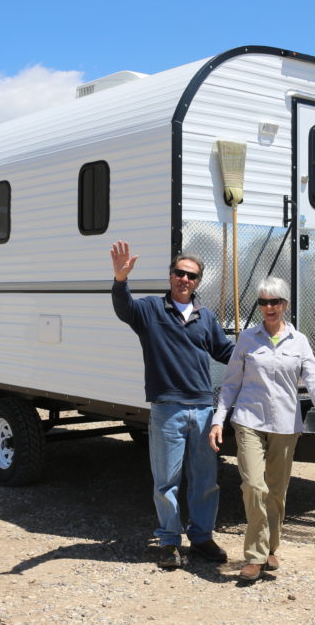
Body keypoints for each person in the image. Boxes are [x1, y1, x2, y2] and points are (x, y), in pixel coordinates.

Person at [111, 240, 234, 569]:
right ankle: (168, 541)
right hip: (168, 410)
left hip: (203, 409)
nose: (185, 279)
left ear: (198, 282)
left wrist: (258, 352)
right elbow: (124, 309)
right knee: (167, 480)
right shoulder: (150, 310)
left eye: (191, 276)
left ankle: (202, 538)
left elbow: (225, 352)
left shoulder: (204, 317)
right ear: (170, 276)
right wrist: (121, 279)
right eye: (180, 273)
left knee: (206, 480)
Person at [208, 276, 315, 582]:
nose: (269, 307)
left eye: (275, 302)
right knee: (254, 486)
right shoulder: (247, 339)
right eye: (264, 302)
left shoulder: (300, 341)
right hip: (249, 421)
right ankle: (254, 556)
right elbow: (231, 384)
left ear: (285, 305)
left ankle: (270, 548)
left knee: (276, 492)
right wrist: (218, 419)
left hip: (284, 424)